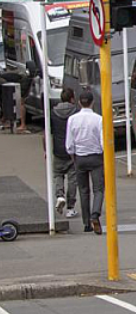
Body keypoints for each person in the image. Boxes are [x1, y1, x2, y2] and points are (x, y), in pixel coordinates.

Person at [65, 90, 104, 234]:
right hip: (96, 157)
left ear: (80, 102)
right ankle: (96, 213)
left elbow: (69, 143)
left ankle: (86, 222)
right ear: (92, 102)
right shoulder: (98, 119)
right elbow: (103, 141)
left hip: (79, 157)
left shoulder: (72, 119)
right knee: (99, 189)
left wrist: (72, 155)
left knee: (83, 190)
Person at [50, 88, 79, 218]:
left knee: (58, 174)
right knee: (73, 179)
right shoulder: (76, 112)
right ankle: (71, 207)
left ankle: (59, 196)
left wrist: (46, 149)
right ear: (72, 98)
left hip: (58, 149)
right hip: (72, 150)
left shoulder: (53, 113)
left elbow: (48, 132)